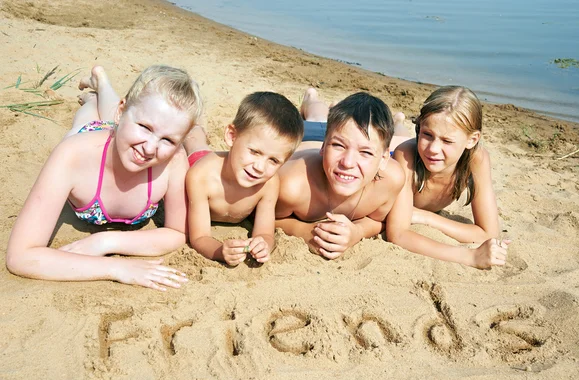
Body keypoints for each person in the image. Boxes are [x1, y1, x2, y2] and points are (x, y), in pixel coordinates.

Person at [6, 65, 202, 291]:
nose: (150, 148)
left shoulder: (174, 161)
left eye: (168, 140)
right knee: (91, 114)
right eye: (145, 127)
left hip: (120, 135)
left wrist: (105, 242)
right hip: (92, 136)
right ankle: (97, 91)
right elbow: (20, 256)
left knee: (123, 127)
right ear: (122, 109)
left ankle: (102, 83)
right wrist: (116, 267)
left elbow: (178, 232)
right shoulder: (72, 155)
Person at [275, 88, 405, 259]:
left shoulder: (391, 181)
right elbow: (264, 216)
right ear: (324, 146)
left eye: (366, 152)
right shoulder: (292, 186)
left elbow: (377, 220)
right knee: (316, 118)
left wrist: (358, 232)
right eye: (338, 146)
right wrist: (305, 231)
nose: (348, 162)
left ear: (383, 159)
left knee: (400, 136)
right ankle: (310, 98)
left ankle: (399, 121)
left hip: (341, 132)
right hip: (307, 138)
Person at [388, 85, 509, 269]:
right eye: (427, 134)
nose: (434, 149)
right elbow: (397, 234)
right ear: (420, 127)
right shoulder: (406, 155)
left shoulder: (476, 160)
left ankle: (398, 121)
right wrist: (469, 256)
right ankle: (397, 123)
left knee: (400, 136)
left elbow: (489, 233)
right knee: (395, 142)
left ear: (472, 140)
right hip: (390, 155)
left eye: (447, 141)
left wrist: (427, 217)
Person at [185, 92, 304, 266]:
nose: (259, 167)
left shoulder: (269, 183)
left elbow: (265, 232)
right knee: (196, 144)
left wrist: (263, 244)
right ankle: (195, 130)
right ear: (231, 136)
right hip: (202, 161)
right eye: (255, 152)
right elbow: (199, 237)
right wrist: (219, 251)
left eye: (273, 160)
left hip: (227, 163)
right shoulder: (200, 177)